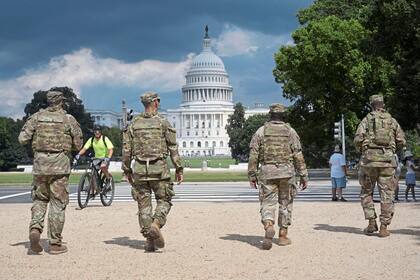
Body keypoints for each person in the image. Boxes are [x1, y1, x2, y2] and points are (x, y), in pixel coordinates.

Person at [18, 90, 82, 254]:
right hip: (60, 165)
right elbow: (78, 145)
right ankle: (54, 243)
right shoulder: (68, 119)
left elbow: (22, 139)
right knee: (57, 203)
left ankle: (35, 228)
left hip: (40, 165)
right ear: (61, 101)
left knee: (40, 199)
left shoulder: (36, 118)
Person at [121, 92, 183, 252]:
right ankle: (156, 224)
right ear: (155, 102)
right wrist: (178, 167)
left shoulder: (134, 124)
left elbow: (126, 150)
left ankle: (149, 240)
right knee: (164, 200)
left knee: (143, 206)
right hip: (159, 169)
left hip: (140, 170)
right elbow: (172, 148)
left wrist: (126, 169)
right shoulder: (163, 122)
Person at [248, 103, 308, 250]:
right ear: (283, 115)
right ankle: (282, 235)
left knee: (267, 203)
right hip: (286, 172)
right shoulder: (290, 132)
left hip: (267, 171)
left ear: (270, 115)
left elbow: (253, 155)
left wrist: (252, 174)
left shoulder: (261, 132)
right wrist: (303, 174)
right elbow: (298, 155)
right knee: (285, 203)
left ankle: (268, 224)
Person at [354, 94, 405, 237]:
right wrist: (391, 150)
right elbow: (401, 140)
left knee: (366, 192)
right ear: (383, 104)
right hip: (387, 161)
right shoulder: (392, 121)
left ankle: (371, 223)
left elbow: (358, 139)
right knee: (387, 194)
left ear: (371, 105)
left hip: (369, 162)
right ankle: (384, 226)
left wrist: (364, 150)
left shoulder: (366, 120)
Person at [75, 126, 114, 195]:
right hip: (96, 158)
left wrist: (108, 157)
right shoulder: (92, 139)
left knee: (103, 166)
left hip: (105, 158)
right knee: (92, 172)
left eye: (98, 132)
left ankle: (108, 179)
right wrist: (78, 155)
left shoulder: (105, 139)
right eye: (96, 132)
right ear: (94, 132)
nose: (97, 133)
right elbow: (84, 148)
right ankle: (95, 189)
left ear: (100, 132)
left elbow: (111, 149)